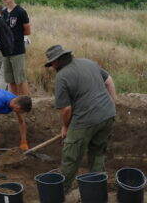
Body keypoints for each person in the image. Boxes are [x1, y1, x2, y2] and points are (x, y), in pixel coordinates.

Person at [45, 45, 116, 194]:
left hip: (84, 120)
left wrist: (66, 126)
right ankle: (97, 190)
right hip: (108, 115)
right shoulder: (88, 62)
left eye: (52, 64)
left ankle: (61, 191)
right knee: (97, 153)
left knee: (71, 156)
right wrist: (111, 105)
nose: (52, 67)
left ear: (56, 62)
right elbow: (109, 80)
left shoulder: (62, 76)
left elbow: (65, 109)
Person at [0, 0, 31, 96]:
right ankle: (14, 100)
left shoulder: (20, 12)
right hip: (6, 51)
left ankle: (26, 101)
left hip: (17, 50)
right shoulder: (3, 12)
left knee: (21, 78)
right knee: (10, 79)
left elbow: (27, 30)